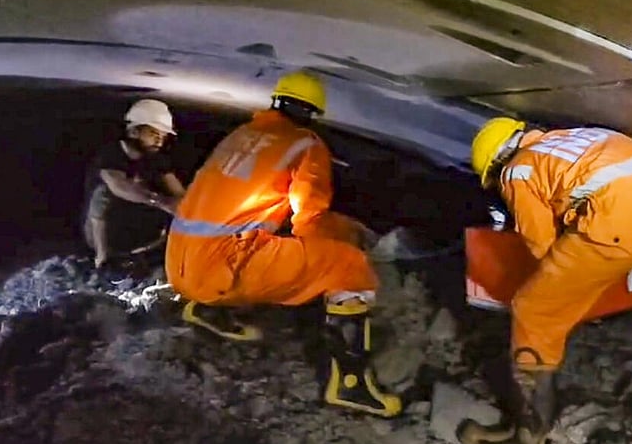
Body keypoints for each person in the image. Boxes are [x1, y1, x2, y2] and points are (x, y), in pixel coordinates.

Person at [461, 117, 632, 444]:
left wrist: (573, 287)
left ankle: (529, 436)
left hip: (621, 220)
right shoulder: (572, 137)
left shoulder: (517, 171)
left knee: (533, 309)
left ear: (497, 163)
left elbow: (543, 247)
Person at [165, 70, 401, 418]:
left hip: (179, 265)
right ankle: (352, 387)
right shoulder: (305, 144)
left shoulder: (241, 134)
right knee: (348, 265)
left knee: (266, 243)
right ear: (310, 114)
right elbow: (309, 218)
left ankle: (204, 307)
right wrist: (335, 253)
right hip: (222, 269)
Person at [82, 99, 185, 273]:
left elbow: (178, 191)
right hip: (109, 238)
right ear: (134, 131)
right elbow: (119, 186)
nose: (159, 141)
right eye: (153, 133)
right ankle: (103, 257)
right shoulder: (111, 155)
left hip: (146, 240)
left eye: (163, 136)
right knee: (103, 194)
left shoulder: (156, 159)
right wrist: (161, 202)